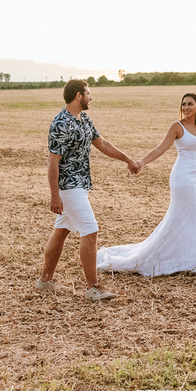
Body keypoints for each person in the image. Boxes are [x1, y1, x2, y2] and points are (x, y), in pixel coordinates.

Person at [97, 93, 196, 277]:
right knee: (191, 217)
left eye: (190, 104)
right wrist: (141, 162)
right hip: (183, 179)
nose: (186, 107)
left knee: (194, 219)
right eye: (183, 104)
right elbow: (160, 148)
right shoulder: (177, 126)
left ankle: (190, 258)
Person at [37, 78, 138, 300]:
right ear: (78, 96)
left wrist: (127, 159)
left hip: (81, 185)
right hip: (68, 186)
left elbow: (102, 144)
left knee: (62, 231)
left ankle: (45, 281)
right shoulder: (60, 123)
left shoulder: (84, 120)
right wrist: (55, 195)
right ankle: (92, 288)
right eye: (88, 93)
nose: (91, 97)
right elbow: (53, 162)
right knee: (90, 230)